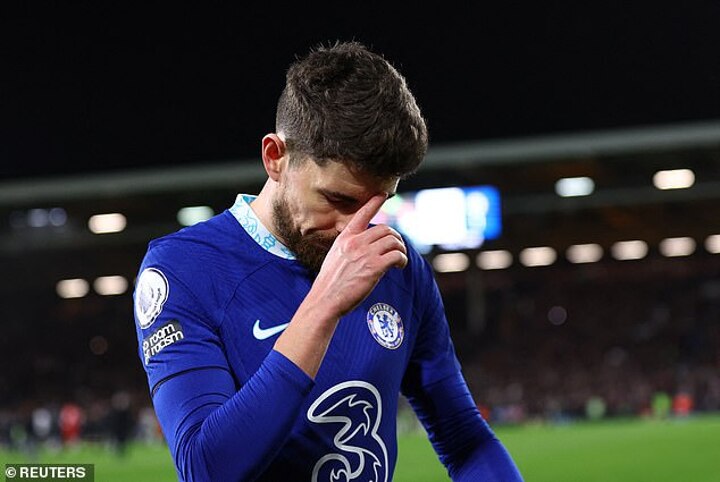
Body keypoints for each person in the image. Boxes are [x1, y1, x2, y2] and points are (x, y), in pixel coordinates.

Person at [133, 41, 522, 482]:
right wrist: (323, 305)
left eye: (375, 205)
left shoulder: (397, 266)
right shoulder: (183, 269)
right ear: (275, 157)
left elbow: (465, 440)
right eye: (338, 199)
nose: (351, 229)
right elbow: (206, 469)